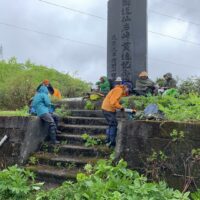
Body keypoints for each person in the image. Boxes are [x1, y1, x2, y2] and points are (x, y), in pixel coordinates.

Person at [101, 77, 128, 148]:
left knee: (111, 124)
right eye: (127, 91)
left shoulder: (117, 89)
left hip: (106, 108)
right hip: (108, 109)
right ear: (125, 88)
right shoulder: (119, 90)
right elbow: (113, 101)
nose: (127, 92)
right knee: (113, 124)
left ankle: (108, 140)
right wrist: (121, 107)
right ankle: (112, 143)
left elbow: (116, 99)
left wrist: (119, 106)